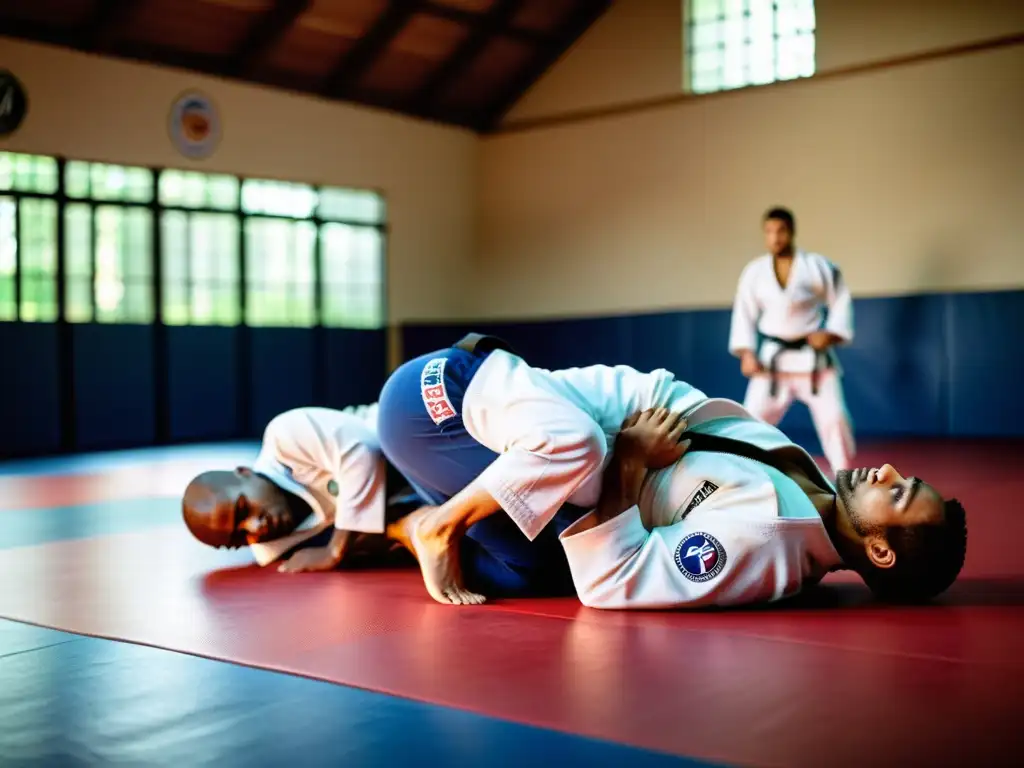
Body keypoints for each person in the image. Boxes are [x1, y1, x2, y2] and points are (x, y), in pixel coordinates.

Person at [376, 334, 710, 605]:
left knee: (543, 574)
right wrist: (631, 455)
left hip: (463, 439)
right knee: (576, 443)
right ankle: (440, 525)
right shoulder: (681, 419)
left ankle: (411, 521)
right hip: (438, 397)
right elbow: (572, 440)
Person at [558, 406, 967, 609]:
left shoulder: (767, 538)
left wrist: (631, 458)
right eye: (902, 478)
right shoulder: (817, 493)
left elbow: (609, 577)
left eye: (898, 495)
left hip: (556, 494)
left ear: (880, 550)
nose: (887, 471)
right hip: (586, 426)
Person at [181, 404, 417, 572]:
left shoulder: (284, 437)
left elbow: (365, 454)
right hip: (425, 495)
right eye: (241, 538)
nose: (256, 527)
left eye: (244, 509)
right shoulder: (274, 549)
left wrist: (335, 550)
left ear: (245, 472)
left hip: (413, 426)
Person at [729, 207, 856, 475]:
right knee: (751, 419)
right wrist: (746, 353)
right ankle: (744, 475)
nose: (775, 238)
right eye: (770, 232)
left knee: (835, 418)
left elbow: (840, 299)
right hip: (772, 360)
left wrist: (831, 333)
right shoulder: (754, 272)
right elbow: (744, 313)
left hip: (813, 359)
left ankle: (844, 478)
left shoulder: (817, 266)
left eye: (781, 231)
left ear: (792, 232)